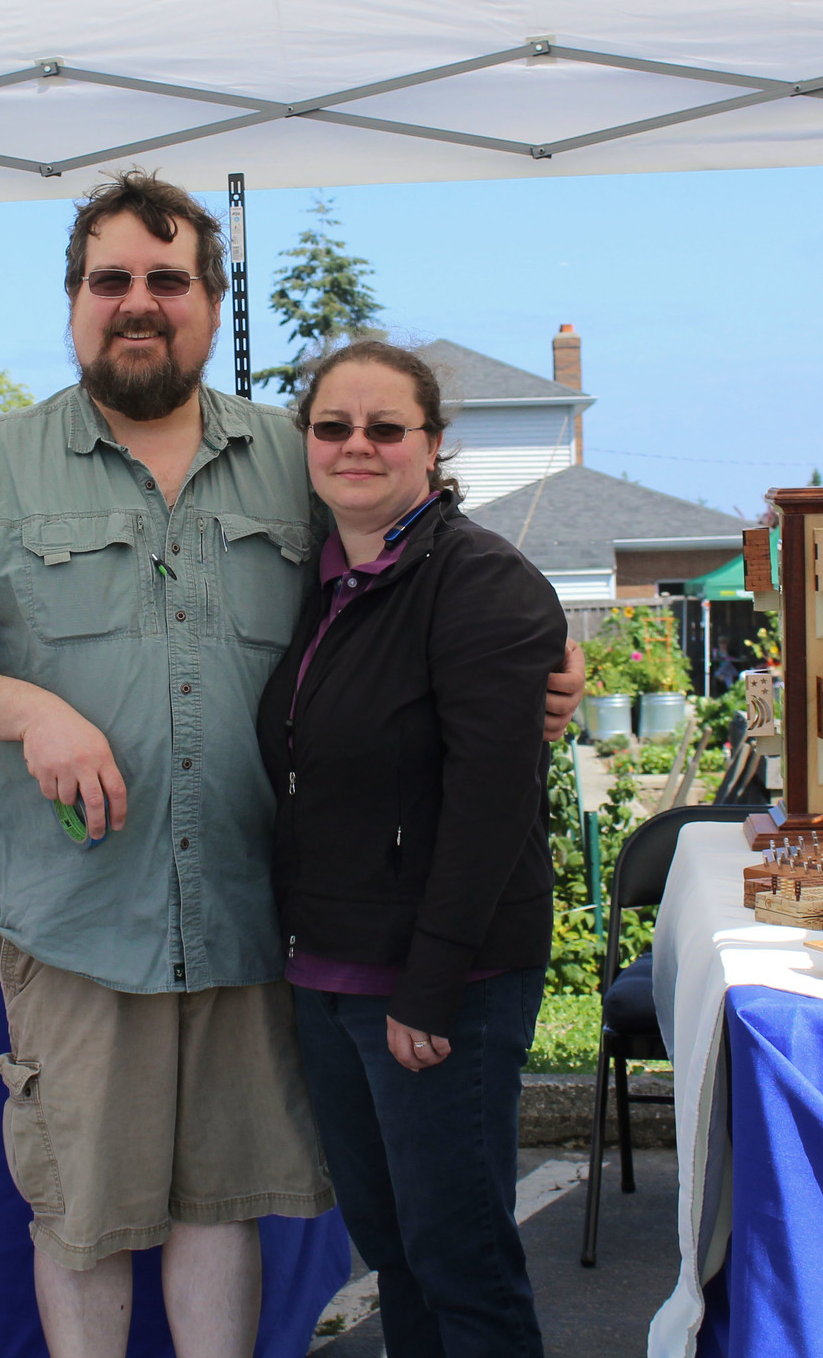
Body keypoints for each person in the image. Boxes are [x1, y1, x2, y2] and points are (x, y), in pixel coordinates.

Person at [0, 172, 583, 1358]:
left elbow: (415, 567)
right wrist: (32, 709)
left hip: (258, 910)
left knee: (222, 1202)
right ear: (75, 300)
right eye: (111, 281)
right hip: (77, 909)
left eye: (167, 280)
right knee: (83, 1214)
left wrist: (539, 666)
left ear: (207, 299)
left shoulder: (286, 458)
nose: (137, 303)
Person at [257, 340, 566, 1358]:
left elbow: (492, 804)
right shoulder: (316, 579)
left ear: (432, 445)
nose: (358, 445)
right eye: (333, 427)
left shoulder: (483, 584)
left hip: (442, 980)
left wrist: (428, 988)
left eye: (386, 427)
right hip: (327, 969)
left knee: (460, 1257)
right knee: (393, 1249)